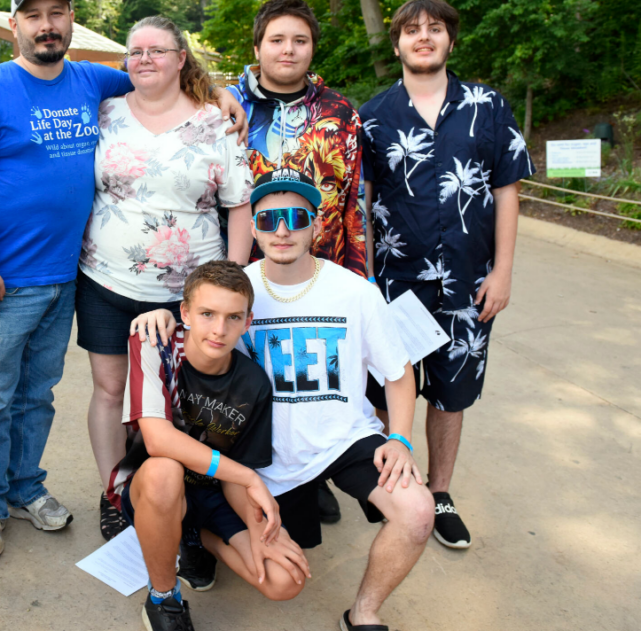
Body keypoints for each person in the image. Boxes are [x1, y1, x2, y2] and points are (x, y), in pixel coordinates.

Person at [0, 0, 248, 560]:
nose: (46, 25)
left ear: (70, 21)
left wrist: (219, 93)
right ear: (14, 25)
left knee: (39, 394)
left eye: (57, 13)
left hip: (66, 277)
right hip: (5, 279)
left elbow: (159, 76)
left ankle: (24, 488)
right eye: (33, 16)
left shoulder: (93, 82)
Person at [133, 169, 435, 631]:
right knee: (283, 577)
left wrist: (400, 437)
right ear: (252, 227)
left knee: (417, 511)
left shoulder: (356, 292)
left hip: (343, 438)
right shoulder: (240, 289)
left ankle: (365, 613)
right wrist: (160, 316)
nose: (282, 229)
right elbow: (199, 323)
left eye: (296, 217)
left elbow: (397, 373)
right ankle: (194, 534)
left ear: (317, 225)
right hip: (261, 454)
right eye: (269, 218)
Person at [360, 0, 535, 550]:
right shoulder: (373, 116)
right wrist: (363, 280)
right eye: (412, 31)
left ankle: (439, 493)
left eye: (435, 29)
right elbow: (359, 204)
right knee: (388, 387)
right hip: (396, 283)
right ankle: (393, 487)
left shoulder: (489, 106)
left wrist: (503, 272)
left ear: (450, 41)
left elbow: (508, 192)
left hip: (469, 283)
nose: (424, 37)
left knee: (452, 395)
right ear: (397, 45)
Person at [78, 16, 255, 541]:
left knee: (182, 404)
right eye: (135, 52)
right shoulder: (104, 112)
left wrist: (236, 282)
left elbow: (240, 204)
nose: (145, 59)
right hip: (106, 284)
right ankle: (116, 493)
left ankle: (186, 502)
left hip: (189, 295)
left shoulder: (215, 122)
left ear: (182, 57)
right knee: (111, 392)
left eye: (157, 50)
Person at [227, 0, 370, 524]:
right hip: (247, 268)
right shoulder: (226, 105)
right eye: (277, 39)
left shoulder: (339, 112)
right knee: (251, 372)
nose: (289, 50)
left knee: (311, 373)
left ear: (313, 48)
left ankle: (316, 472)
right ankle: (252, 476)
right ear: (258, 46)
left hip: (319, 269)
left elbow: (353, 199)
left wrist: (358, 275)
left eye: (300, 40)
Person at [112, 260, 308, 631]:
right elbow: (157, 438)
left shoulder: (254, 383)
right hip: (152, 489)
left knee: (285, 580)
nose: (219, 330)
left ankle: (197, 539)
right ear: (184, 312)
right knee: (165, 470)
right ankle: (164, 597)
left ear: (247, 322)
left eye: (233, 318)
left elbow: (236, 473)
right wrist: (250, 478)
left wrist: (259, 531)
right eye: (207, 314)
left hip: (214, 493)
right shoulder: (155, 345)